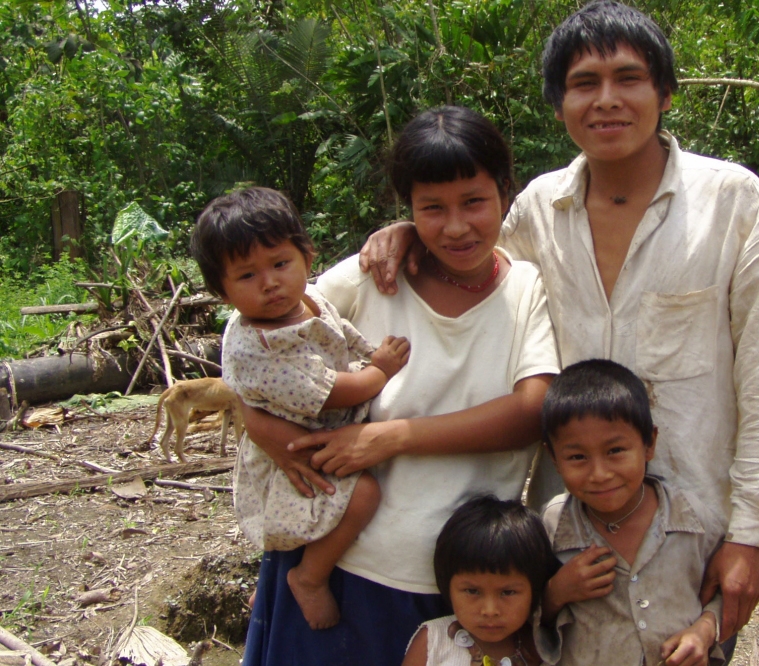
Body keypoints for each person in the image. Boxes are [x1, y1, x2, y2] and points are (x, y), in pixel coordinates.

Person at [359, 0, 759, 650]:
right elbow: (476, 269)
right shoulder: (539, 210)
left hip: (692, 542)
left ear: (666, 93)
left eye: (628, 78)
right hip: (569, 550)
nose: (607, 100)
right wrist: (410, 235)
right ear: (559, 103)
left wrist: (750, 537)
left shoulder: (730, 202)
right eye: (584, 84)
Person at [238, 106, 561, 666]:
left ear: (506, 196)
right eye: (431, 208)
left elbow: (531, 412)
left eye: (474, 202)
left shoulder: (527, 287)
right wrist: (260, 426)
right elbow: (250, 342)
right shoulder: (372, 277)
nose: (455, 226)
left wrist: (391, 437)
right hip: (338, 566)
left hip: (467, 590)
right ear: (406, 208)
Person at [191, 187, 411, 630]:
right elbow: (329, 392)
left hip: (315, 429)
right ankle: (309, 577)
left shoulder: (304, 299)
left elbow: (338, 331)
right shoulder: (262, 345)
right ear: (222, 291)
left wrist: (366, 350)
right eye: (247, 276)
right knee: (363, 493)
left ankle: (272, 586)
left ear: (307, 258)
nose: (270, 282)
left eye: (279, 264)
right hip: (296, 450)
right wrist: (379, 372)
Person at [539, 359, 725, 666]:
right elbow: (520, 606)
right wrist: (556, 593)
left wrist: (704, 631)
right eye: (577, 457)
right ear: (554, 459)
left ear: (649, 444)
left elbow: (725, 591)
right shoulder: (553, 526)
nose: (599, 474)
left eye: (615, 451)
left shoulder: (690, 518)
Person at [402, 496, 560, 666]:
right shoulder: (433, 640)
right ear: (447, 586)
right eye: (472, 591)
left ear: (535, 589)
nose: (490, 611)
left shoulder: (542, 647)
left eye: (507, 592)